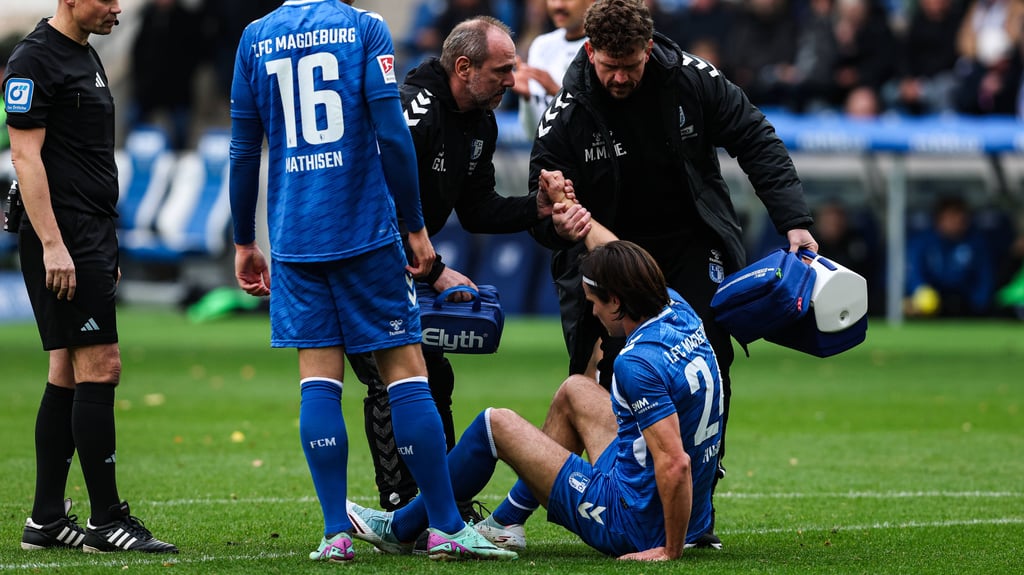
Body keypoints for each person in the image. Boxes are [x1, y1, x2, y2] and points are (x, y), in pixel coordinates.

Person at [228, 0, 515, 562]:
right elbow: (390, 132)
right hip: (363, 229)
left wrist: (244, 240)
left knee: (319, 382)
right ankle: (446, 527)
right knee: (408, 374)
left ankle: (336, 534)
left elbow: (243, 148)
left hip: (293, 238)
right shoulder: (365, 28)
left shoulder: (254, 37)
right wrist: (414, 227)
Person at [527, 0, 818, 547]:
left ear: (650, 48)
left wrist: (795, 222)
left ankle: (697, 505)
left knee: (706, 353)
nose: (619, 76)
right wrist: (557, 217)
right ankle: (627, 500)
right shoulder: (564, 112)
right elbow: (538, 206)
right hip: (608, 253)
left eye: (630, 64)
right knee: (609, 371)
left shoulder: (690, 78)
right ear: (589, 51)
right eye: (609, 64)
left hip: (689, 242)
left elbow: (755, 136)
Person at [346, 240, 724, 560]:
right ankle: (507, 522)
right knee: (576, 389)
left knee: (493, 425)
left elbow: (675, 464)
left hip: (635, 523)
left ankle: (400, 528)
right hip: (691, 514)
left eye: (594, 301)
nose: (592, 311)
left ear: (617, 300)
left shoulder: (636, 362)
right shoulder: (679, 309)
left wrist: (669, 551)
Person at [346, 16, 556, 517]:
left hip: (396, 264)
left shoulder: (480, 121)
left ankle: (441, 504)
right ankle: (403, 505)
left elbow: (478, 207)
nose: (512, 80)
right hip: (355, 258)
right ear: (464, 67)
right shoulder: (415, 109)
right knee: (392, 375)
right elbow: (370, 199)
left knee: (431, 375)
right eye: (503, 70)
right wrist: (435, 268)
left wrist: (537, 209)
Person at [4, 0, 177, 554]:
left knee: (69, 372)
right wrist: (55, 244)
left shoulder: (86, 55)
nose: (118, 7)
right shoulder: (34, 59)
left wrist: (108, 242)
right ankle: (106, 520)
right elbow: (25, 158)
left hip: (90, 234)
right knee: (102, 366)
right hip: (64, 236)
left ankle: (47, 519)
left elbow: (86, 157)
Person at [512, 0, 595, 136]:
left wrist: (556, 92)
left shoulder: (604, 47)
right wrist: (527, 100)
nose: (558, 5)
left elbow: (602, 126)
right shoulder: (541, 46)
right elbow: (532, 134)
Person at [905, 195, 996, 317]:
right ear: (939, 219)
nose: (957, 222)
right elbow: (914, 272)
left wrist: (979, 305)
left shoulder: (976, 243)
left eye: (961, 217)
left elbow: (984, 277)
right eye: (952, 217)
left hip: (963, 303)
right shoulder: (923, 242)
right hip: (932, 302)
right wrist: (919, 291)